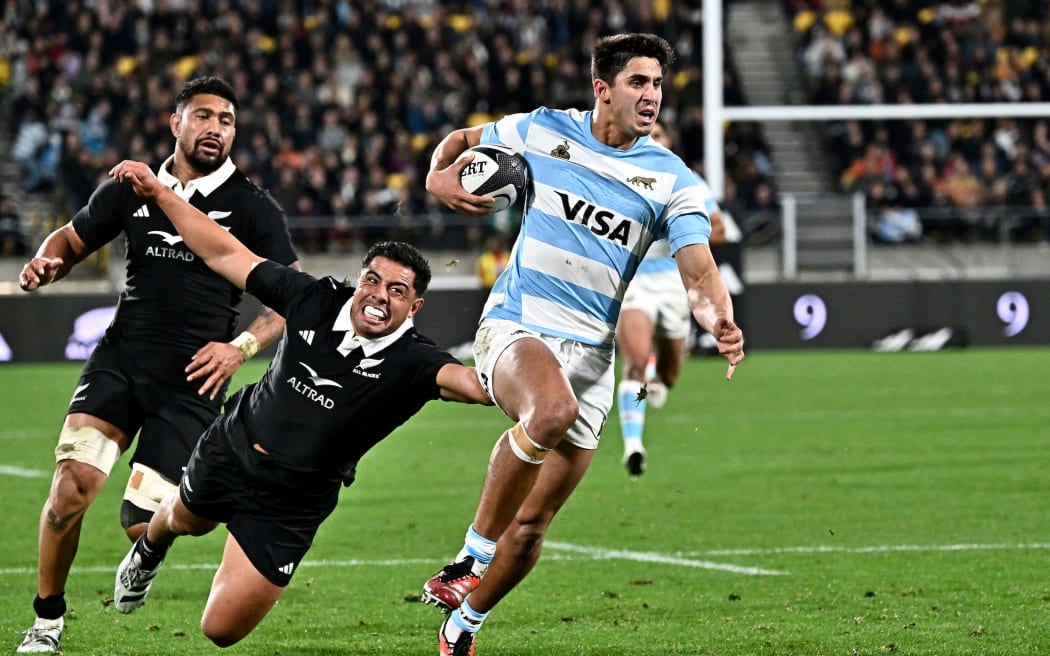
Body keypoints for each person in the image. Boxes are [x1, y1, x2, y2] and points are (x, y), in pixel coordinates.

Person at [419, 33, 745, 655]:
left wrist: (717, 318)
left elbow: (699, 273)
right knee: (551, 411)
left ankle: (465, 625)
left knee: (534, 525)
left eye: (657, 84)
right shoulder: (541, 131)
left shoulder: (671, 179)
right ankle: (466, 560)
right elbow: (460, 142)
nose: (652, 96)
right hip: (519, 323)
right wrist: (438, 176)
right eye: (638, 83)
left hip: (593, 355)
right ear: (603, 88)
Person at [107, 158, 491, 646]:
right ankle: (149, 549)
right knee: (185, 520)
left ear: (414, 307)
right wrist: (163, 195)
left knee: (219, 631)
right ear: (359, 279)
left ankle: (236, 541)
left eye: (397, 291)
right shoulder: (314, 298)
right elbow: (226, 254)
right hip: (233, 449)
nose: (378, 296)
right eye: (372, 280)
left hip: (293, 503)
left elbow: (480, 386)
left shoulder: (415, 362)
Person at [15, 76, 299, 654]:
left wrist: (238, 348)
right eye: (203, 116)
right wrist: (47, 262)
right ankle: (46, 622)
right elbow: (71, 238)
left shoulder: (252, 207)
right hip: (120, 361)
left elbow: (284, 306)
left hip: (192, 381)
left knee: (141, 523)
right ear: (176, 123)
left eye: (226, 119)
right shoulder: (132, 187)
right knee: (70, 488)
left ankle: (149, 550)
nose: (216, 128)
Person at [615, 120, 727, 477]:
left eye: (660, 134)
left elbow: (719, 228)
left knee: (670, 375)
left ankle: (656, 375)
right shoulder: (619, 174)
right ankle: (633, 445)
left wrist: (678, 233)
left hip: (674, 286)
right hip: (633, 284)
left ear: (669, 141)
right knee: (633, 361)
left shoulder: (686, 180)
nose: (653, 138)